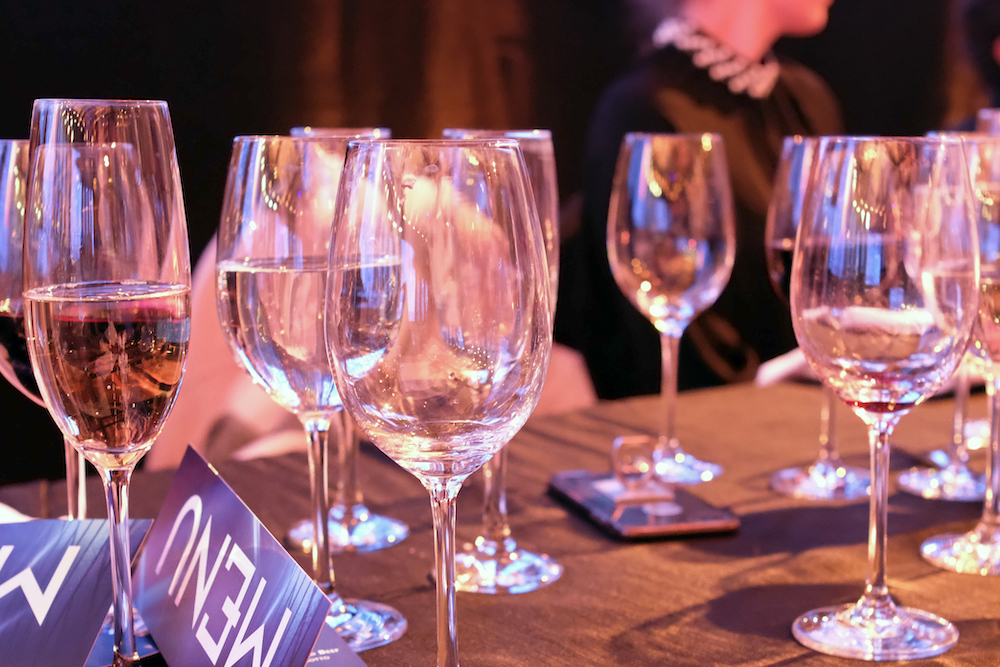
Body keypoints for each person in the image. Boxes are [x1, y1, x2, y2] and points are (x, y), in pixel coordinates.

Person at [555, 0, 842, 399]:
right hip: (705, 419)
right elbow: (657, 352)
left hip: (809, 418)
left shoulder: (806, 99)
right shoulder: (644, 108)